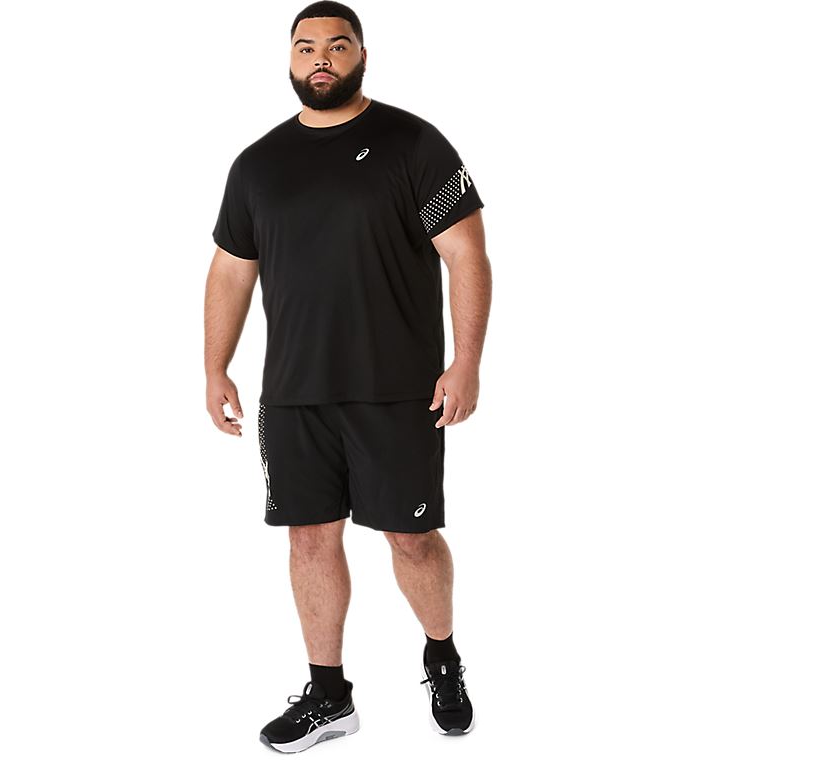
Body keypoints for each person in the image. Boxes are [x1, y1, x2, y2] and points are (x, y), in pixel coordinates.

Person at [203, 1, 492, 752]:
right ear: (290, 60)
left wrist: (466, 362)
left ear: (362, 55)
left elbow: (467, 254)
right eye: (306, 47)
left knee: (412, 538)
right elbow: (231, 270)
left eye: (337, 45)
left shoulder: (414, 144)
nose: (321, 58)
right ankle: (329, 697)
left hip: (396, 389)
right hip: (294, 393)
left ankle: (442, 657)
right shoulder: (257, 164)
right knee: (308, 539)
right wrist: (214, 366)